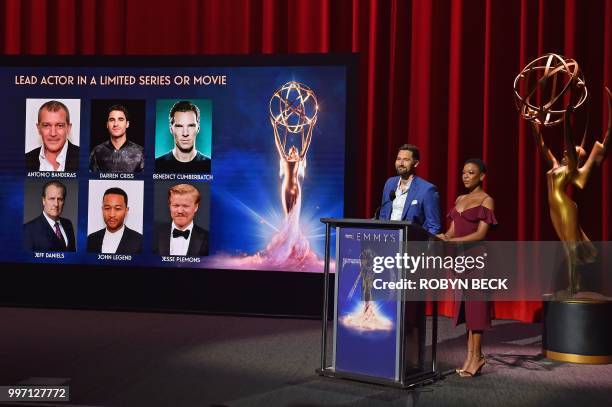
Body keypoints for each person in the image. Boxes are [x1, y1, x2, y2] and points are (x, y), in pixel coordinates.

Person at [437, 158, 497, 377]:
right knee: (467, 309)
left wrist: (451, 242)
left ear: (481, 176)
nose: (465, 176)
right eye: (463, 173)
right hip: (460, 260)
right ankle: (470, 357)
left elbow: (481, 234)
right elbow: (453, 230)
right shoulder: (460, 199)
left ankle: (478, 357)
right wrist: (442, 237)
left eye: (470, 173)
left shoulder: (486, 200)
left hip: (477, 259)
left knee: (477, 309)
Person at [379, 144, 441, 235]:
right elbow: (383, 216)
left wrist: (422, 246)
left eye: (406, 160)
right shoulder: (389, 183)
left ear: (415, 163)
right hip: (388, 240)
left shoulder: (427, 190)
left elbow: (434, 226)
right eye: (398, 159)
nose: (401, 163)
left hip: (411, 243)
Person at [155, 101, 211, 173]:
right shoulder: (157, 165)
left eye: (191, 126)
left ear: (198, 128)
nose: (185, 133)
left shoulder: (210, 166)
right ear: (171, 129)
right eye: (179, 126)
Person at [153, 184, 209, 256]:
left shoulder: (208, 239)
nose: (180, 211)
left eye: (185, 206)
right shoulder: (153, 236)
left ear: (196, 207)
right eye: (176, 205)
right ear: (169, 206)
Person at [25, 100, 79, 172]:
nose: (53, 133)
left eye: (59, 125)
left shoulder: (85, 159)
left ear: (68, 128)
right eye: (46, 125)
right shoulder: (24, 161)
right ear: (38, 128)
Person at [23, 180, 76, 251]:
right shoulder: (28, 229)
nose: (56, 204)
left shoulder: (68, 224)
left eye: (60, 199)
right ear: (43, 200)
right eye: (52, 199)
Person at [89, 105, 144, 172]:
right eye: (112, 120)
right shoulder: (97, 151)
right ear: (107, 124)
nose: (116, 124)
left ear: (127, 124)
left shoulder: (140, 152)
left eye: (120, 119)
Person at [87, 187, 142, 254]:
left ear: (126, 210)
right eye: (107, 208)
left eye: (118, 209)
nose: (112, 214)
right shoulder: (90, 239)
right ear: (102, 209)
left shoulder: (140, 242)